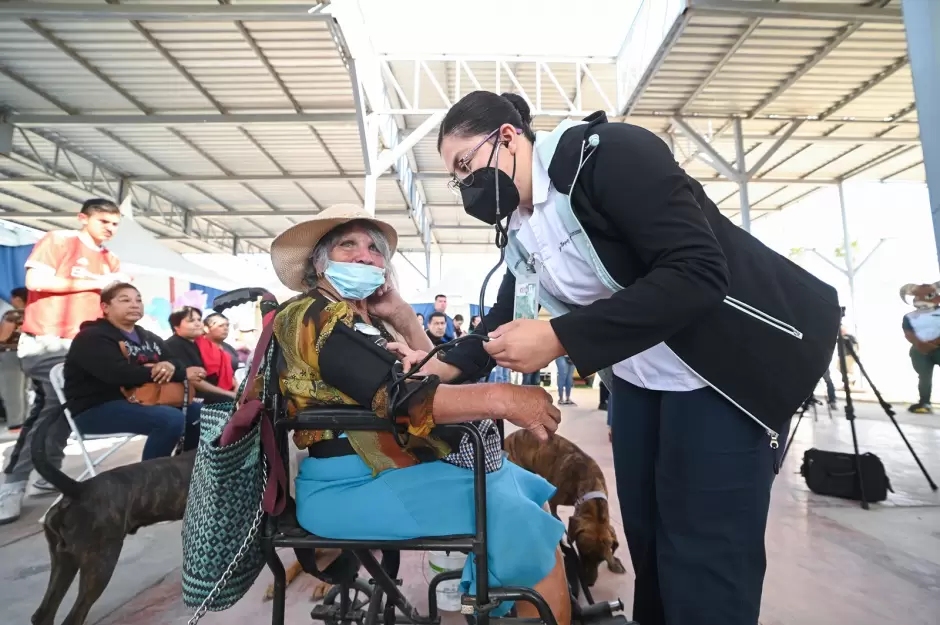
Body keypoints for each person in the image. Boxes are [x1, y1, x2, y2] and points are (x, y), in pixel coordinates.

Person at [408, 91, 840, 625]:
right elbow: (502, 317)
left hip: (717, 379)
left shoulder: (605, 156)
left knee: (706, 553)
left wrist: (561, 337)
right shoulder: (522, 230)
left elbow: (699, 269)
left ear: (508, 137)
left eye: (464, 165)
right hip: (640, 384)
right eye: (456, 177)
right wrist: (437, 367)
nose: (464, 185)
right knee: (653, 544)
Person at [268, 204, 569, 624]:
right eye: (347, 245)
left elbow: (431, 375)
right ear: (319, 266)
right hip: (351, 487)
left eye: (374, 248)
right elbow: (400, 397)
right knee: (523, 523)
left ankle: (504, 602)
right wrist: (503, 398)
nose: (364, 255)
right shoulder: (310, 315)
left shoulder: (366, 324)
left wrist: (404, 316)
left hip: (391, 471)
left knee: (526, 498)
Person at [0, 198, 126, 525]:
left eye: (115, 224)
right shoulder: (59, 241)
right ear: (83, 218)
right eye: (104, 222)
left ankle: (47, 470)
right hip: (48, 340)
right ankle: (12, 484)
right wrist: (96, 283)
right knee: (51, 405)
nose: (110, 229)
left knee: (68, 409)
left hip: (84, 346)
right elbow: (35, 282)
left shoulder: (111, 259)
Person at [64, 283, 203, 461]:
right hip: (95, 409)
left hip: (144, 401)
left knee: (201, 414)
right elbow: (118, 374)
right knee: (170, 419)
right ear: (105, 307)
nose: (134, 304)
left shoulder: (147, 336)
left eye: (138, 300)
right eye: (125, 300)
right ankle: (151, 480)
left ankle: (186, 467)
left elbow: (176, 361)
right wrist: (163, 370)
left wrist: (169, 364)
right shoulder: (92, 337)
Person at [164, 306, 236, 404]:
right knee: (228, 401)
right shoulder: (174, 345)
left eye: (199, 319)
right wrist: (227, 393)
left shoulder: (194, 344)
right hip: (187, 398)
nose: (198, 324)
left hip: (203, 395)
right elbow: (194, 380)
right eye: (191, 321)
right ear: (176, 327)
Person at [0, 287, 28, 430]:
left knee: (11, 390)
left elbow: (2, 336)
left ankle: (16, 424)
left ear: (17, 299)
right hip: (27, 353)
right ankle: (25, 420)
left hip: (10, 354)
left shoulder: (12, 315)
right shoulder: (34, 313)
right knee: (23, 390)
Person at [194, 314, 235, 394]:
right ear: (206, 328)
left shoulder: (229, 349)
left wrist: (237, 387)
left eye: (227, 325)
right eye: (220, 326)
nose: (225, 328)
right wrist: (229, 394)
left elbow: (231, 375)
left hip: (230, 392)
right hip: (204, 394)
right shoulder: (197, 346)